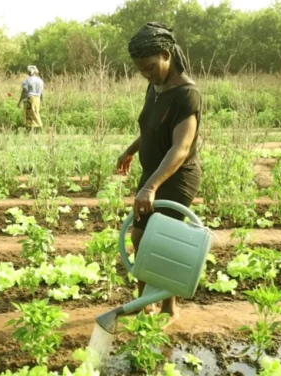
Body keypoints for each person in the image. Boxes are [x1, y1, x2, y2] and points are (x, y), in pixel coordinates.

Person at [116, 22, 202, 320]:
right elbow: (152, 128)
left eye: (150, 67)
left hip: (176, 178)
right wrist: (130, 149)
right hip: (153, 173)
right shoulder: (155, 87)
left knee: (163, 240)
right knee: (140, 238)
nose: (146, 74)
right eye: (141, 70)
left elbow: (180, 148)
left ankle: (169, 307)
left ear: (166, 54)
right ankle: (145, 302)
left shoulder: (186, 94)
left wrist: (150, 187)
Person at [18, 65, 44, 130]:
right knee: (35, 111)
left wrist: (20, 101)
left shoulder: (28, 80)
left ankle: (38, 126)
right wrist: (41, 99)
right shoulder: (40, 80)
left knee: (29, 113)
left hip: (30, 98)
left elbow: (24, 91)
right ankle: (34, 128)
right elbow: (41, 92)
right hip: (37, 98)